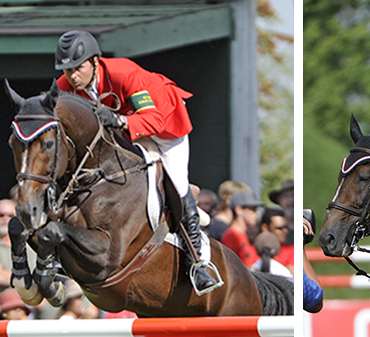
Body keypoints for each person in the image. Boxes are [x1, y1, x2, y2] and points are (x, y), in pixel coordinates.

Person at [54, 29, 221, 294]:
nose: (72, 76)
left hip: (164, 126)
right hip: (125, 133)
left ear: (95, 61)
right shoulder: (64, 86)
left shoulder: (123, 72)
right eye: (67, 70)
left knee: (177, 184)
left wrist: (120, 120)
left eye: (78, 68)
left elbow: (153, 120)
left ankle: (197, 262)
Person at [220, 189, 262, 267]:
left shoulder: (242, 234)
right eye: (253, 209)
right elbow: (228, 266)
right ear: (239, 210)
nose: (257, 213)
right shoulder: (232, 235)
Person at [259, 206, 293, 273]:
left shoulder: (293, 251)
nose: (285, 231)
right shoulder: (254, 250)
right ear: (265, 228)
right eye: (279, 228)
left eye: (285, 227)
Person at [268, 179, 294, 243]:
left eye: (294, 195)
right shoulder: (274, 229)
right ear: (279, 201)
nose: (291, 200)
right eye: (286, 196)